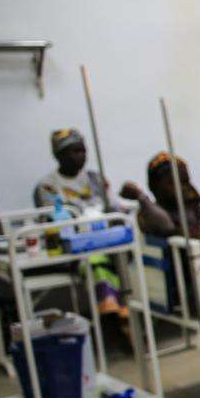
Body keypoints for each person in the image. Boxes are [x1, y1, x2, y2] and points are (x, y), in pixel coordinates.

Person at [32, 129, 128, 342]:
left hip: (107, 240)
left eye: (82, 151)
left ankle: (120, 312)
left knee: (126, 255)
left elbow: (115, 207)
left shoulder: (95, 179)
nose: (79, 156)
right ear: (58, 155)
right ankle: (115, 314)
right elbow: (53, 223)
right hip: (74, 248)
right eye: (71, 152)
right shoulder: (47, 186)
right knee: (96, 261)